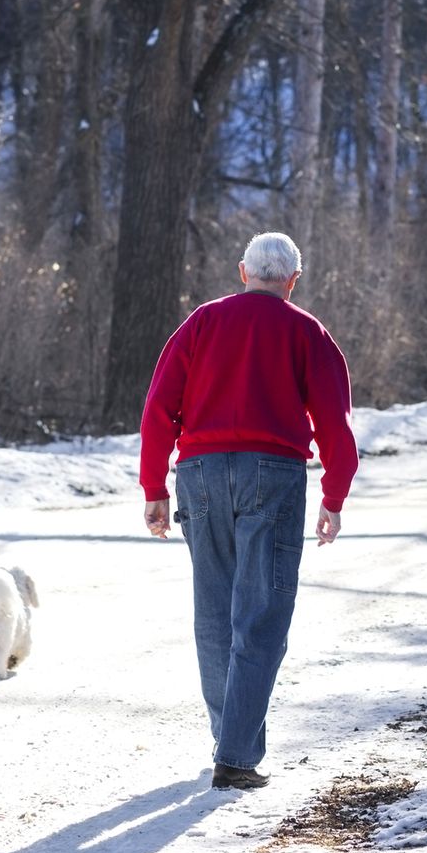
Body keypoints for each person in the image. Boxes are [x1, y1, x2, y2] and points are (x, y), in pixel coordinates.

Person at [140, 231, 358, 791]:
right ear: (292, 280)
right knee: (260, 616)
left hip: (200, 474)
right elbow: (334, 422)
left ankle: (229, 739)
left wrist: (154, 488)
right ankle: (235, 755)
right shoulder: (307, 332)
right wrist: (333, 496)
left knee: (214, 614)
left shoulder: (202, 323)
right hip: (273, 475)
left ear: (244, 271)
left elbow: (159, 407)